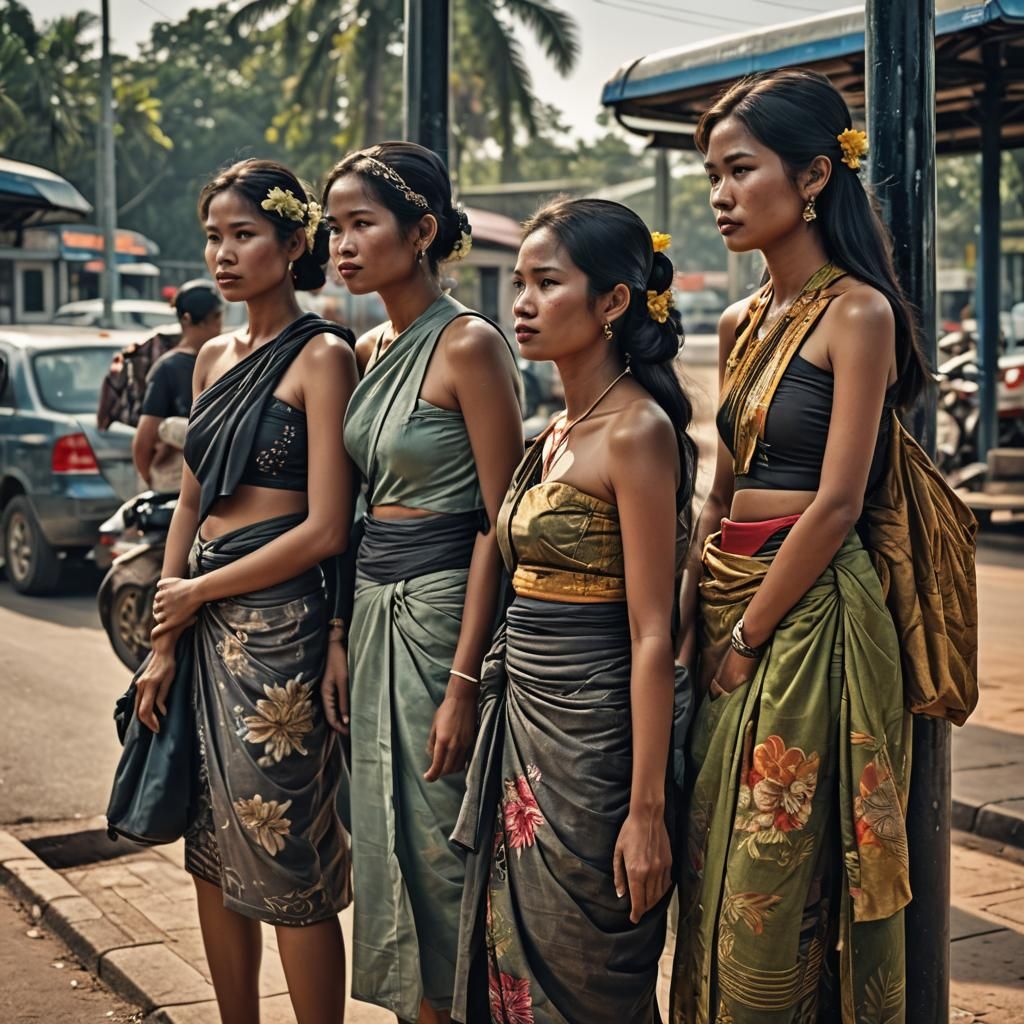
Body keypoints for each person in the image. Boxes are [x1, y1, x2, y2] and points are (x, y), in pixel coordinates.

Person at [670, 69, 933, 1024]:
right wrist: (698, 616)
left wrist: (746, 638)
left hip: (811, 610)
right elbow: (720, 483)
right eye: (713, 175)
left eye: (742, 170)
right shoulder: (743, 321)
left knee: (774, 878)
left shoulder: (856, 312)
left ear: (815, 176)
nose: (721, 195)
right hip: (731, 595)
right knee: (710, 860)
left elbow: (837, 504)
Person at [451, 198, 698, 1024]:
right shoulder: (555, 429)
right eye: (517, 282)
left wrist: (647, 812)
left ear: (614, 302)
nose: (519, 302)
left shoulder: (636, 433)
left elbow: (653, 632)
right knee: (512, 964)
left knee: (594, 979)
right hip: (527, 731)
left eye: (545, 283)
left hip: (597, 752)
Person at [132, 158, 358, 1024]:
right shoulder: (212, 356)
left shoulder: (324, 356)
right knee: (209, 850)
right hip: (197, 621)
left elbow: (327, 527)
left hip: (278, 629)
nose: (224, 255)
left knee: (283, 847)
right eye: (214, 238)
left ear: (294, 242)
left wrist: (199, 593)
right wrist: (164, 629)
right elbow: (192, 497)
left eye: (245, 235)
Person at [321, 141, 523, 1024]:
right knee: (381, 831)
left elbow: (499, 520)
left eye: (363, 224)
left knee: (442, 842)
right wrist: (335, 635)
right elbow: (355, 510)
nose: (344, 245)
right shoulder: (369, 345)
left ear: (424, 231)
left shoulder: (472, 344)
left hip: (443, 612)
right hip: (370, 611)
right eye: (334, 227)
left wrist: (464, 679)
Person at [132, 280, 223, 492]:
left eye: (220, 317)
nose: (219, 326)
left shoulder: (224, 361)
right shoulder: (168, 368)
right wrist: (156, 485)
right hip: (177, 488)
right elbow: (143, 443)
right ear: (187, 320)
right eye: (213, 319)